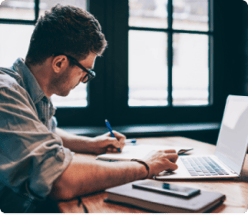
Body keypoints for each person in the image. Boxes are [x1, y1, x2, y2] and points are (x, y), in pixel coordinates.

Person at [0, 4, 178, 213]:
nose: (85, 79)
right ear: (59, 63)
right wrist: (144, 166)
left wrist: (92, 145)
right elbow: (61, 180)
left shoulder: (28, 91)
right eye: (86, 72)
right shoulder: (5, 94)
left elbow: (45, 132)